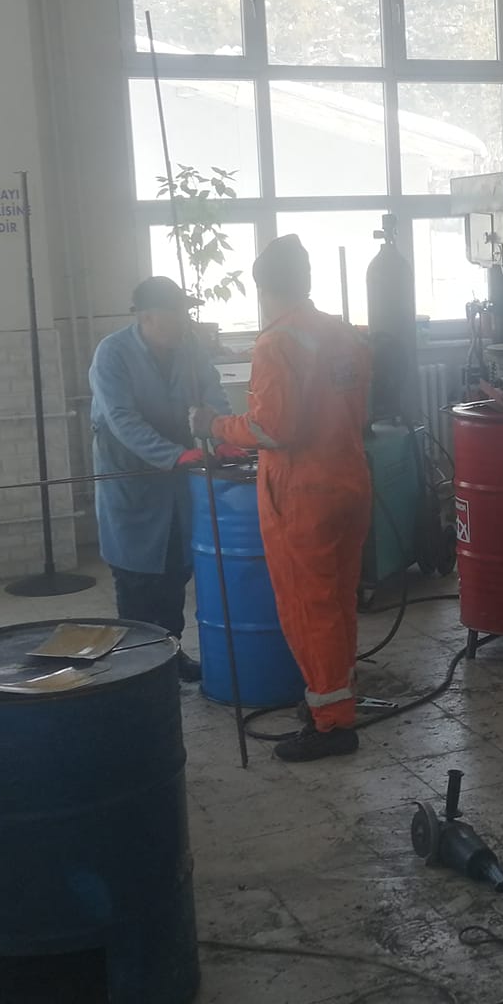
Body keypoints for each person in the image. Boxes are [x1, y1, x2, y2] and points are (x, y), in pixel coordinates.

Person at [198, 234, 374, 762]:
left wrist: (215, 425)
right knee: (338, 601)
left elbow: (273, 428)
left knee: (308, 607)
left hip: (303, 497)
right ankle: (334, 696)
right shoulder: (342, 333)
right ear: (306, 281)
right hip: (349, 483)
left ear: (262, 288)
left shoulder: (276, 343)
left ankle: (331, 724)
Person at [89, 276, 227, 682]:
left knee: (174, 571)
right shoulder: (112, 353)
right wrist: (174, 454)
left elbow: (212, 392)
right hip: (131, 482)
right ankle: (137, 669)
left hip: (178, 484)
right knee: (136, 577)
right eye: (174, 316)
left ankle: (171, 653)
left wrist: (222, 432)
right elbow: (121, 420)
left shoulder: (190, 347)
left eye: (184, 314)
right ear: (146, 317)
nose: (182, 323)